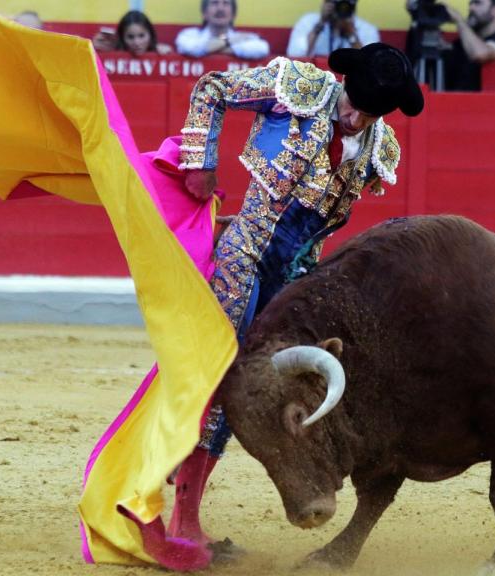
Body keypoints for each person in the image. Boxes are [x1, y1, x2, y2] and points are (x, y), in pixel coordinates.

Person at [161, 42, 424, 565]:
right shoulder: (298, 89)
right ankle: (182, 517)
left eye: (369, 114)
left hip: (295, 284)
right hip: (243, 259)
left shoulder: (378, 148)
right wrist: (201, 161)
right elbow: (212, 88)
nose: (355, 119)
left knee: (274, 389)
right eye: (354, 105)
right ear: (344, 85)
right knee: (219, 375)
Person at [443, 0, 495, 91]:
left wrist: (460, 21)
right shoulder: (463, 42)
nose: (471, 8)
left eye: (477, 3)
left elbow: (480, 54)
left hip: (493, 103)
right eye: (470, 3)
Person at [175, 0, 269, 59]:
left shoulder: (250, 38)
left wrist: (213, 47)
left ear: (233, 14)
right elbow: (192, 48)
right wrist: (229, 40)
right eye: (214, 3)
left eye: (226, 3)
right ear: (204, 13)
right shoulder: (188, 35)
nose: (220, 8)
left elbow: (262, 48)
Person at [287, 0, 381, 57]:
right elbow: (295, 55)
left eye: (346, 3)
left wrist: (351, 34)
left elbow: (370, 63)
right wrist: (321, 23)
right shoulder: (308, 22)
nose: (342, 8)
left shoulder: (367, 29)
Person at [93, 11, 173, 56]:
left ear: (150, 35)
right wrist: (92, 48)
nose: (137, 42)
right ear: (122, 38)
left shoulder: (159, 50)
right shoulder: (113, 50)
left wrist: (168, 53)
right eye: (130, 37)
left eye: (141, 36)